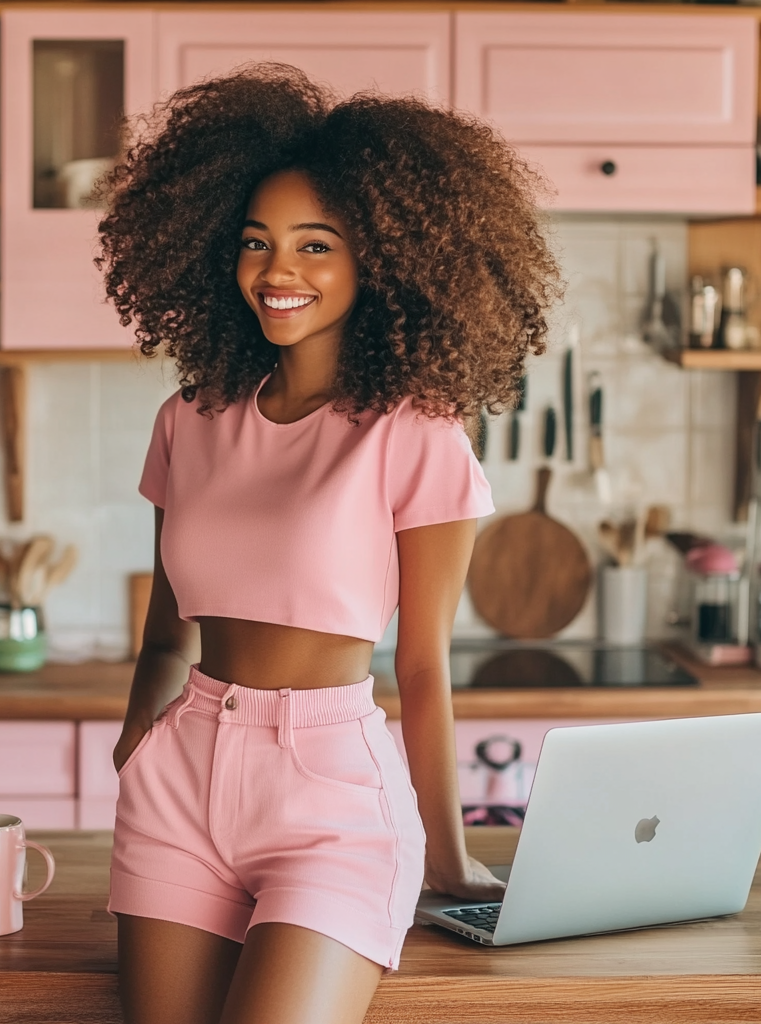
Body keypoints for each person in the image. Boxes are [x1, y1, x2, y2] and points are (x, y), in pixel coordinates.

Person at [97, 65, 560, 1024]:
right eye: (257, 242)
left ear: (380, 258)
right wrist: (138, 749)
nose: (279, 271)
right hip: (181, 784)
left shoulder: (415, 432)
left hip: (331, 797)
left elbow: (424, 666)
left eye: (317, 245)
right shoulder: (189, 419)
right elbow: (164, 635)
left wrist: (450, 852)